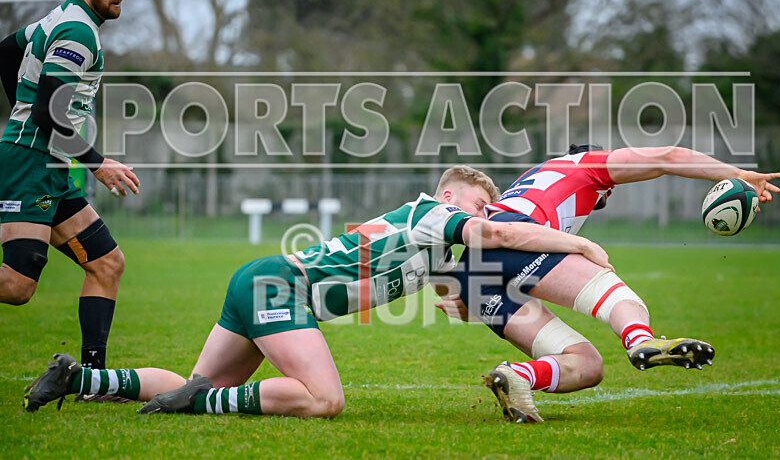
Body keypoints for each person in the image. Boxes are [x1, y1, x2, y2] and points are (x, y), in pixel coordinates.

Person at [23, 166, 613, 417]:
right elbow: (502, 232)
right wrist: (580, 247)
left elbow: (464, 288)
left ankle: (81, 379)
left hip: (260, 280)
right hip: (279, 289)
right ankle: (199, 403)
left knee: (194, 382)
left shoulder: (430, 239)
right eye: (479, 204)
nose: (487, 214)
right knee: (325, 400)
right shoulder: (436, 214)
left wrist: (469, 300)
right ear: (454, 198)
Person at [434, 145, 780, 423]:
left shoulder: (533, 181)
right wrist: (736, 173)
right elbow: (667, 156)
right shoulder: (586, 166)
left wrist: (470, 295)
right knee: (614, 291)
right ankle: (640, 341)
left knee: (587, 366)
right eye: (610, 187)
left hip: (475, 272)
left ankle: (519, 376)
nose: (609, 193)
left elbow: (469, 297)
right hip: (515, 238)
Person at [0, 0, 138, 379]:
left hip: (51, 164)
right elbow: (46, 113)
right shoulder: (78, 31)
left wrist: (18, 111)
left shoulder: (61, 17)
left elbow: (6, 52)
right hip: (32, 164)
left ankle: (92, 379)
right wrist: (99, 163)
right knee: (18, 286)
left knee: (107, 263)